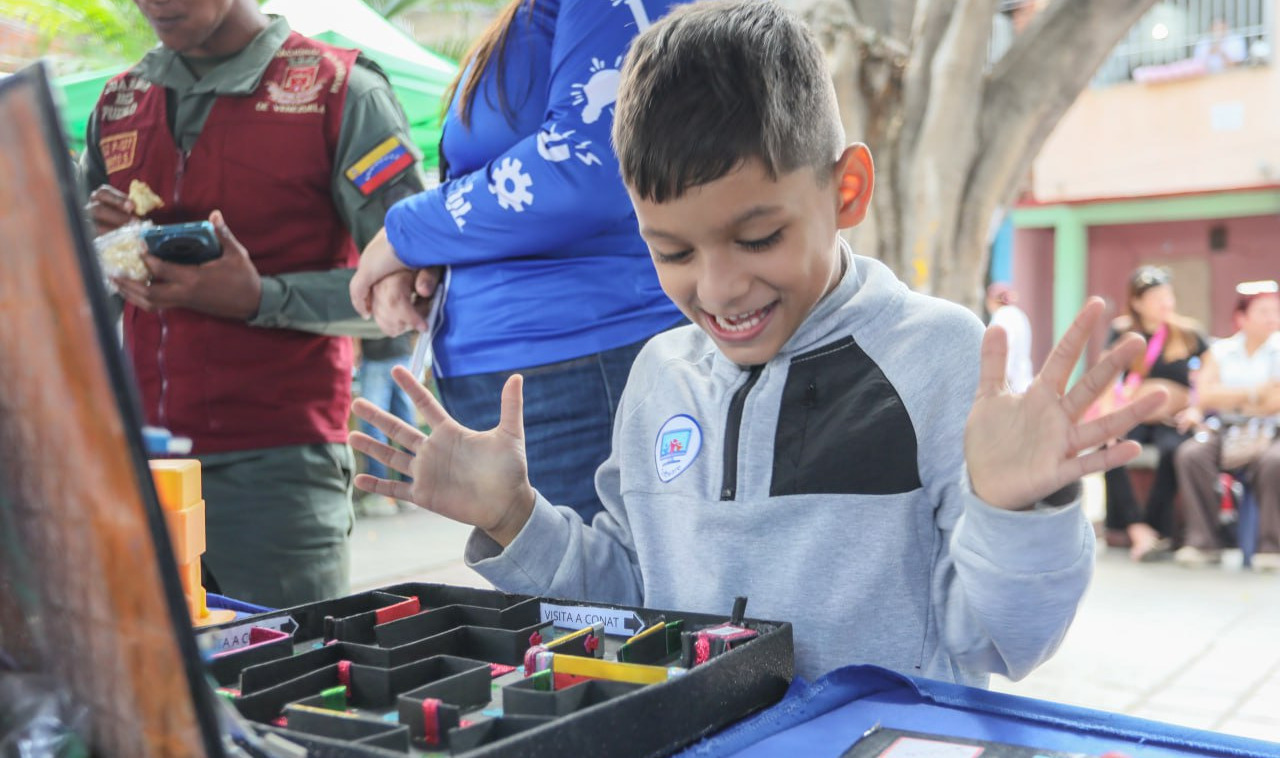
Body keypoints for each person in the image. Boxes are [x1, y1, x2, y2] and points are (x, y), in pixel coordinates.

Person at [350, 0, 1163, 683]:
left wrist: (1021, 509)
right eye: (672, 252)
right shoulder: (659, 374)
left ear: (845, 190)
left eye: (759, 236)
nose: (720, 288)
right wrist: (515, 516)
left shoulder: (937, 357)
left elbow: (1007, 640)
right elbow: (630, 597)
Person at [81, 0, 425, 607]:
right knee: (154, 693)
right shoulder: (117, 103)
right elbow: (77, 293)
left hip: (277, 473)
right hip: (139, 468)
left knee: (277, 685)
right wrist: (93, 244)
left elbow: (412, 290)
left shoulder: (341, 92)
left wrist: (259, 299)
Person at [346, 0, 685, 524]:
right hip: (534, 378)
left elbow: (588, 166)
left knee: (592, 600)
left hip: (584, 367)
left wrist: (404, 233)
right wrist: (430, 255)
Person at [1100, 266, 1208, 562]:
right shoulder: (1123, 332)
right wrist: (1108, 421)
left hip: (1171, 419)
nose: (1165, 302)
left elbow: (1210, 375)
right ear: (1137, 302)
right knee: (1109, 446)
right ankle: (1136, 528)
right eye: (1155, 297)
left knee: (1174, 449)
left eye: (1167, 295)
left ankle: (1158, 526)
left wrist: (1197, 408)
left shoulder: (1187, 332)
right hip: (1134, 416)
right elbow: (1106, 380)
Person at [1174, 281, 1280, 570]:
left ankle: (1270, 547)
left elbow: (1275, 404)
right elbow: (1206, 395)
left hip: (1271, 431)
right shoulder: (1222, 350)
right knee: (1191, 455)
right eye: (1264, 311)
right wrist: (1257, 393)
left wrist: (1230, 397)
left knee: (1275, 462)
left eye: (1275, 310)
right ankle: (1204, 543)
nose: (1273, 317)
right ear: (1241, 317)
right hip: (1226, 428)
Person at [355, 334, 417, 514]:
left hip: (375, 355)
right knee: (406, 424)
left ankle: (380, 492)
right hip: (402, 352)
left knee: (373, 423)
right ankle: (411, 489)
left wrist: (356, 351)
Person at [985, 282, 1034, 394]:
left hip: (1011, 387)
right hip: (1024, 382)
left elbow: (1006, 352)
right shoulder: (1020, 315)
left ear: (991, 300)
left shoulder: (1001, 317)